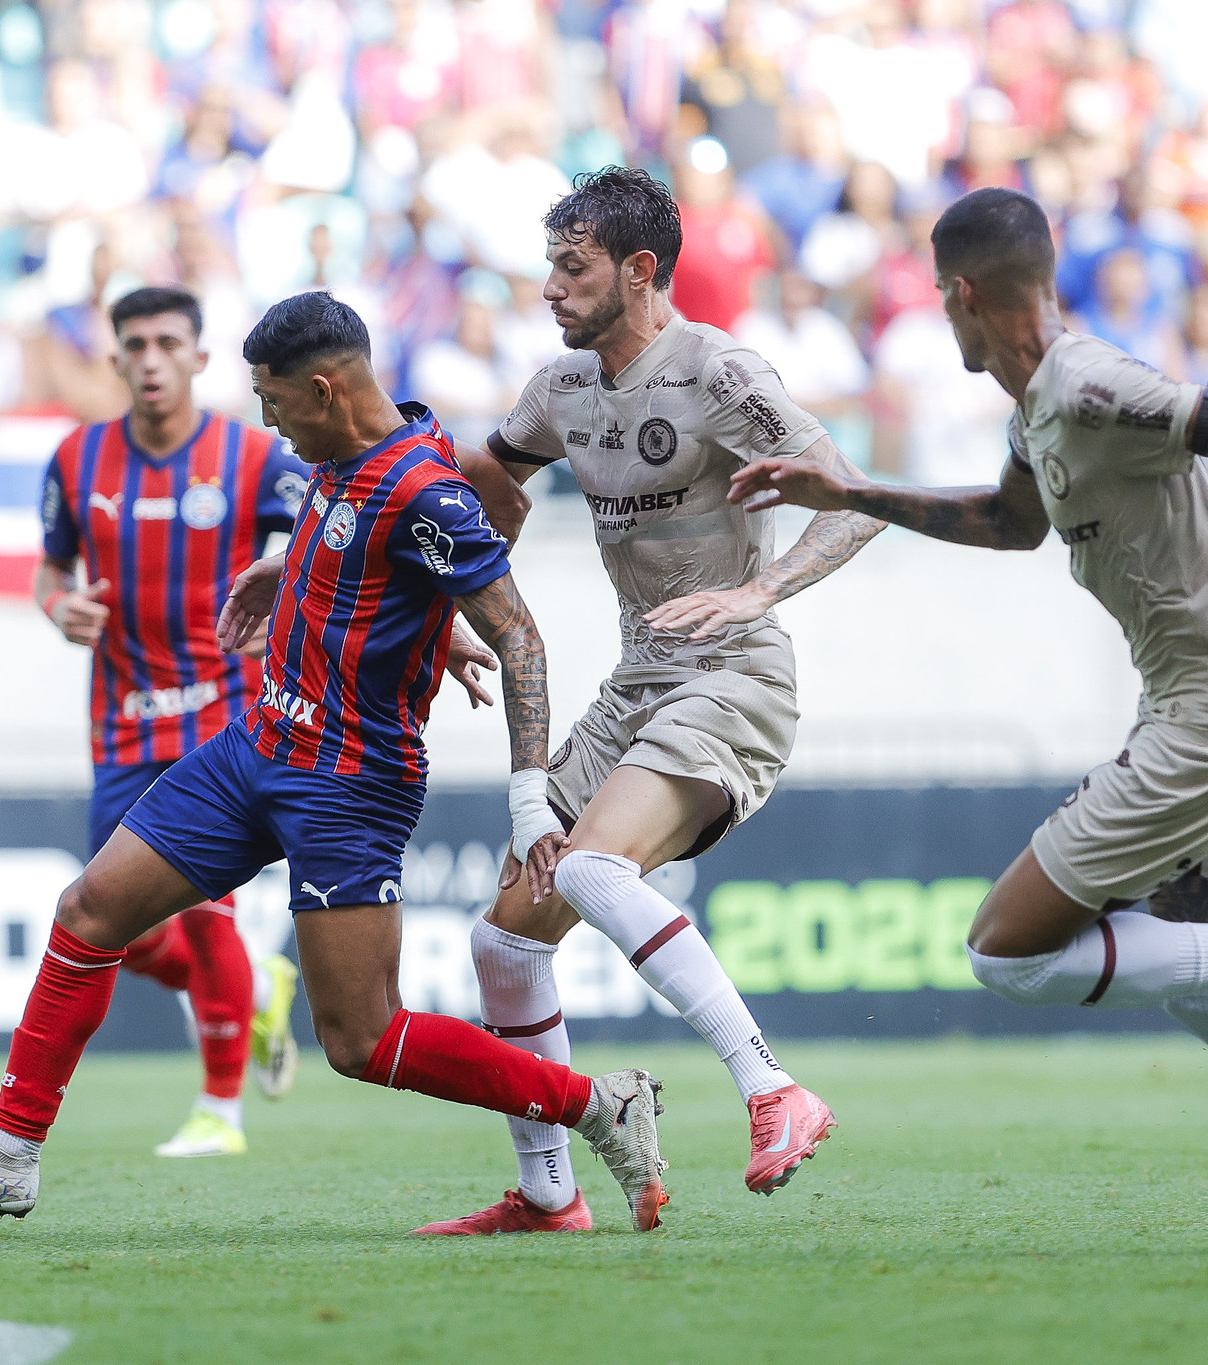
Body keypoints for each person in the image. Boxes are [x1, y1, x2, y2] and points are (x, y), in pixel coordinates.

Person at [730, 187, 1208, 1256]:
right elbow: (1005, 524)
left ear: (960, 294)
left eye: (938, 300)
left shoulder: (1091, 386)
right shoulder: (1036, 409)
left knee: (1008, 953)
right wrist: (852, 494)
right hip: (1206, 702)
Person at [0, 291, 673, 1233]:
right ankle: (9, 1154)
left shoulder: (426, 489)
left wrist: (530, 800)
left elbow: (524, 642)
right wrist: (292, 568)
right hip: (254, 745)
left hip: (347, 786)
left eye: (273, 400)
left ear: (327, 391)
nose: (266, 420)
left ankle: (597, 1106)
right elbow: (369, 562)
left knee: (362, 1038)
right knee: (88, 912)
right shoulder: (343, 455)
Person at [427, 167, 886, 1236]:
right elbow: (482, 483)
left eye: (571, 266)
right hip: (636, 679)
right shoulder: (559, 391)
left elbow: (853, 503)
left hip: (731, 673)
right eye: (548, 264)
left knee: (589, 865)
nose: (548, 286)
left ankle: (772, 1089)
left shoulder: (719, 374)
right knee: (502, 943)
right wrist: (407, 573)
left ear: (638, 270)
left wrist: (760, 587)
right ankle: (549, 1195)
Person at [34, 284, 312, 1157]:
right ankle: (257, 988)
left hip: (221, 711)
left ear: (198, 356)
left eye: (168, 343)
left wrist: (280, 576)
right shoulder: (76, 461)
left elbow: (317, 537)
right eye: (136, 345)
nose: (151, 359)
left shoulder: (252, 457)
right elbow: (49, 571)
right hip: (120, 718)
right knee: (119, 926)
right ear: (114, 359)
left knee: (207, 909)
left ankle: (219, 1111)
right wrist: (58, 607)